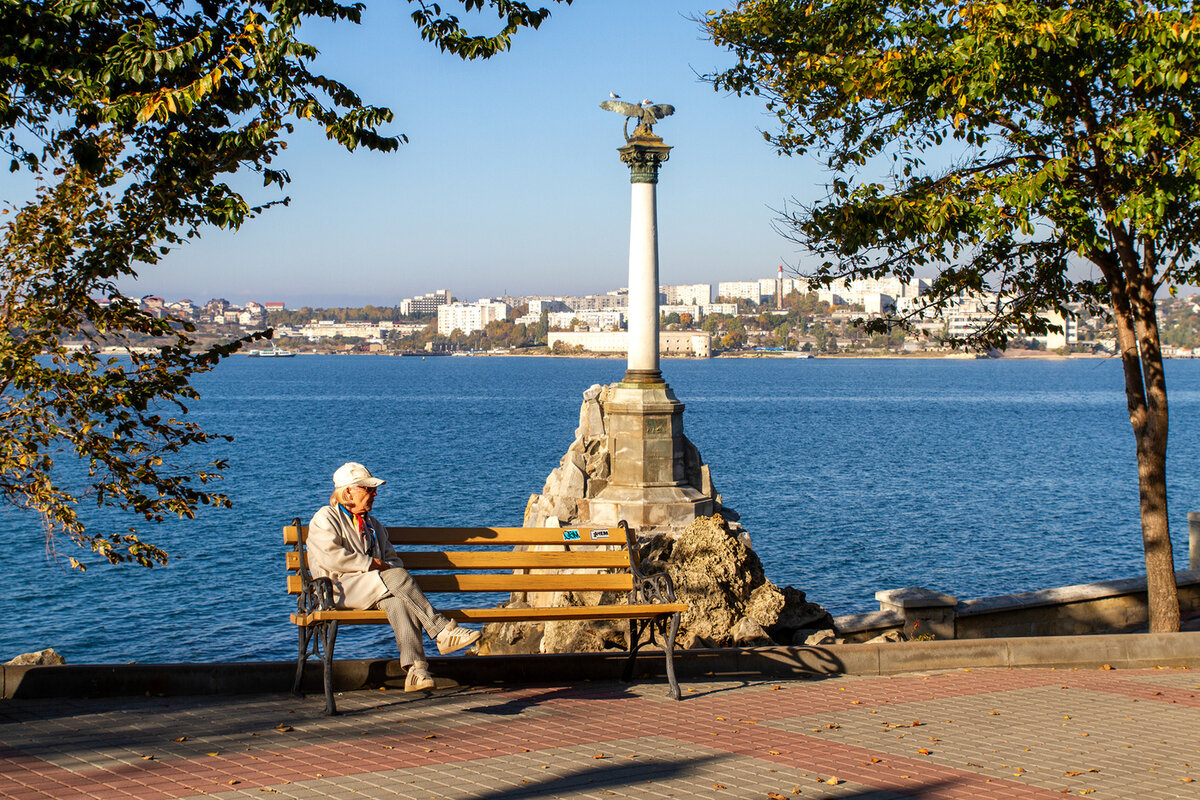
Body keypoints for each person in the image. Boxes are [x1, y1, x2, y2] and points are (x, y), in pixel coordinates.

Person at [306, 461, 480, 692]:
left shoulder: (373, 525)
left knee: (399, 601)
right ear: (348, 491)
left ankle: (416, 670)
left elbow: (392, 559)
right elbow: (331, 557)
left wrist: (383, 568)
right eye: (368, 489)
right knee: (396, 576)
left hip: (373, 588)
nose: (374, 493)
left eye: (373, 489)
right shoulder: (325, 517)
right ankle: (441, 630)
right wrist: (371, 564)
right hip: (337, 590)